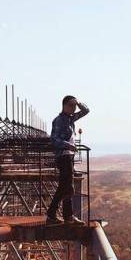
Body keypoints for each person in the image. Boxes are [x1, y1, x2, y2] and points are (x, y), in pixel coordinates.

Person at [46, 95, 89, 224]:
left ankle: (54, 215)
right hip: (63, 155)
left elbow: (86, 111)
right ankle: (66, 216)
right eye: (70, 105)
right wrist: (67, 144)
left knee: (64, 186)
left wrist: (79, 102)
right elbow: (54, 139)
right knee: (67, 186)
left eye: (74, 105)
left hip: (68, 155)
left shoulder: (70, 119)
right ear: (64, 105)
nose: (73, 107)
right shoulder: (59, 120)